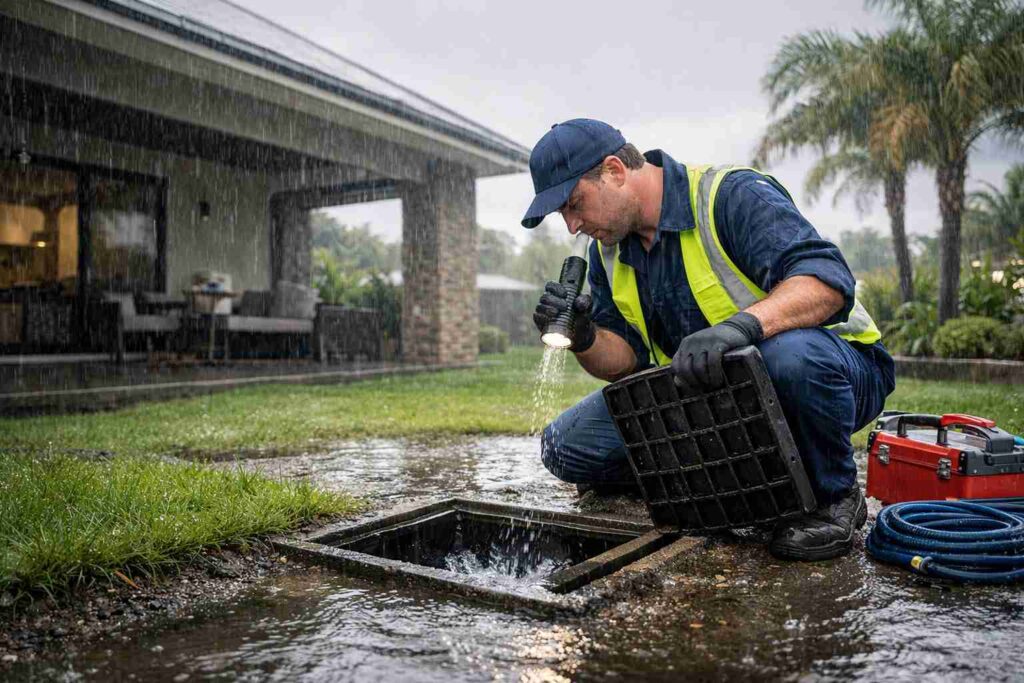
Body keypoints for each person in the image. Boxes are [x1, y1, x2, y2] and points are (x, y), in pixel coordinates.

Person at [523, 118, 896, 561]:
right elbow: (624, 363)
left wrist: (739, 329)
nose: (572, 225)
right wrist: (585, 337)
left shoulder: (731, 196)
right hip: (709, 390)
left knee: (791, 356)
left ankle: (833, 499)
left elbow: (826, 283)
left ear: (615, 171)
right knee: (566, 446)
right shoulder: (607, 251)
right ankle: (733, 478)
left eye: (574, 204)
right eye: (564, 214)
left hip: (831, 372)